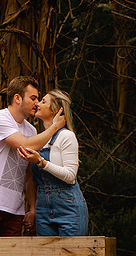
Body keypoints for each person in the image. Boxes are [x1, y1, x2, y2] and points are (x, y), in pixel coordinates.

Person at [0, 76, 66, 236]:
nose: (37, 103)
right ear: (17, 98)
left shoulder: (31, 131)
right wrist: (54, 127)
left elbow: (29, 175)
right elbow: (25, 145)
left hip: (15, 209)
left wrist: (32, 209)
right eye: (33, 98)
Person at [17, 89, 88, 236]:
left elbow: (70, 176)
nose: (37, 104)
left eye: (43, 101)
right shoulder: (40, 140)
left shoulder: (66, 136)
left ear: (55, 109)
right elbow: (32, 180)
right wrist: (34, 209)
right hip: (43, 206)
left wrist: (41, 162)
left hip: (68, 207)